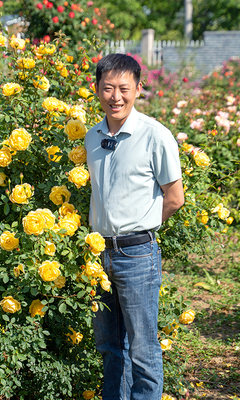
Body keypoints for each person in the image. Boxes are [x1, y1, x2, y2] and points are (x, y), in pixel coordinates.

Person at [84, 53, 184, 400]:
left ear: (138, 89)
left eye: (124, 88)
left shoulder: (154, 135)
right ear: (96, 89)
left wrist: (140, 228)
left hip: (137, 254)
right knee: (110, 346)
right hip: (99, 256)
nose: (116, 96)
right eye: (108, 88)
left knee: (142, 348)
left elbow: (174, 196)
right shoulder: (92, 137)